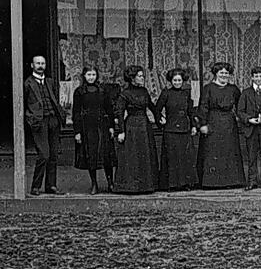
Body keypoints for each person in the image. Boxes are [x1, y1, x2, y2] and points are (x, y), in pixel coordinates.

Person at [113, 65, 160, 194]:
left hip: (144, 126)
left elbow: (151, 106)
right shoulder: (125, 94)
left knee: (145, 154)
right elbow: (119, 113)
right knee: (133, 156)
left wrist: (159, 118)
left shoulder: (144, 91)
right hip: (131, 127)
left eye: (142, 76)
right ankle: (131, 186)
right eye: (139, 76)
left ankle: (147, 185)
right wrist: (121, 131)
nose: (142, 78)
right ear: (132, 78)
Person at [197, 62, 243, 190]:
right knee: (212, 152)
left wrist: (241, 119)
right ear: (216, 74)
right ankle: (212, 183)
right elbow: (203, 106)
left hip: (229, 123)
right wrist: (203, 124)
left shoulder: (233, 89)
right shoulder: (208, 88)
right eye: (221, 73)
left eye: (226, 73)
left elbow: (240, 106)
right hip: (213, 122)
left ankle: (231, 182)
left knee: (229, 151)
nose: (224, 75)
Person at [71, 64, 116, 194]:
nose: (91, 77)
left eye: (93, 75)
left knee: (106, 155)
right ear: (84, 76)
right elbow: (76, 112)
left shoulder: (102, 90)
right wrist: (77, 132)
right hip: (87, 127)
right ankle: (94, 184)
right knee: (91, 156)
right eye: (89, 75)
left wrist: (112, 127)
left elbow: (109, 109)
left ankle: (110, 182)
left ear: (97, 76)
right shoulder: (79, 92)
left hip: (102, 126)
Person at [24, 54, 65, 196]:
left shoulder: (50, 82)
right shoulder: (28, 83)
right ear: (32, 65)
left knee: (53, 155)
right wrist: (30, 118)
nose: (40, 66)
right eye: (38, 63)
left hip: (53, 120)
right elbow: (23, 103)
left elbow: (54, 99)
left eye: (43, 63)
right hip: (39, 122)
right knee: (44, 155)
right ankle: (35, 186)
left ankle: (51, 186)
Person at [156, 68, 200, 191]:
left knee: (185, 157)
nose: (177, 82)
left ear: (183, 81)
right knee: (172, 157)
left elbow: (190, 112)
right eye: (174, 80)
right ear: (171, 81)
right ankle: (171, 185)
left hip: (184, 129)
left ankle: (186, 184)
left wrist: (193, 126)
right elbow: (157, 109)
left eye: (179, 80)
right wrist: (161, 120)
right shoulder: (166, 93)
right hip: (170, 130)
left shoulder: (186, 94)